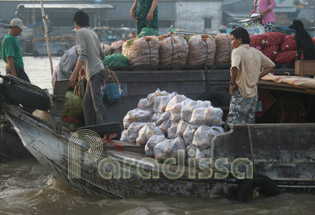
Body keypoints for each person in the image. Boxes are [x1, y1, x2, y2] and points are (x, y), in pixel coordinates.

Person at [227, 27, 275, 124]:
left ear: (239, 39)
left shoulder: (237, 51)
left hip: (241, 92)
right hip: (253, 94)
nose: (231, 43)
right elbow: (271, 65)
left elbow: (235, 68)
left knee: (235, 123)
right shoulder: (256, 52)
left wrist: (232, 84)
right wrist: (258, 76)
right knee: (249, 122)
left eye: (232, 40)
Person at [70, 11, 110, 126]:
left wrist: (74, 75)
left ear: (76, 22)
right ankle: (90, 131)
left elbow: (83, 54)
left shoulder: (80, 32)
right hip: (97, 70)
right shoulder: (92, 33)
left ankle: (109, 129)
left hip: (94, 72)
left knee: (97, 103)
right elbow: (102, 54)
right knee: (87, 105)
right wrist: (85, 67)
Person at [1, 18, 30, 82]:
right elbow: (9, 57)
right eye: (19, 29)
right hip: (15, 69)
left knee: (27, 88)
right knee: (29, 88)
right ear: (13, 27)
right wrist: (14, 74)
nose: (21, 30)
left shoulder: (14, 38)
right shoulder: (9, 39)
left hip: (18, 69)